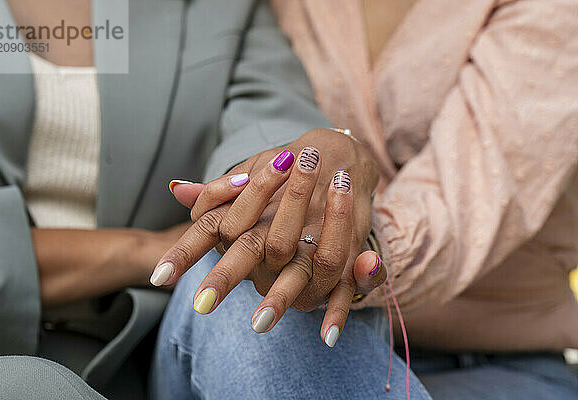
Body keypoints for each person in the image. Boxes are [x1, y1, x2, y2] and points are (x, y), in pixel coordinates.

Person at [0, 0, 414, 398]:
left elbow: (269, 116)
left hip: (154, 351)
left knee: (255, 270)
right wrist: (146, 249)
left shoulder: (221, 8)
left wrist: (302, 179)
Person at [151, 0, 578, 399]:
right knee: (250, 278)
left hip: (496, 363)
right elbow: (250, 105)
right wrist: (268, 206)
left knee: (263, 271)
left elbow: (471, 200)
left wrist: (342, 242)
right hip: (255, 351)